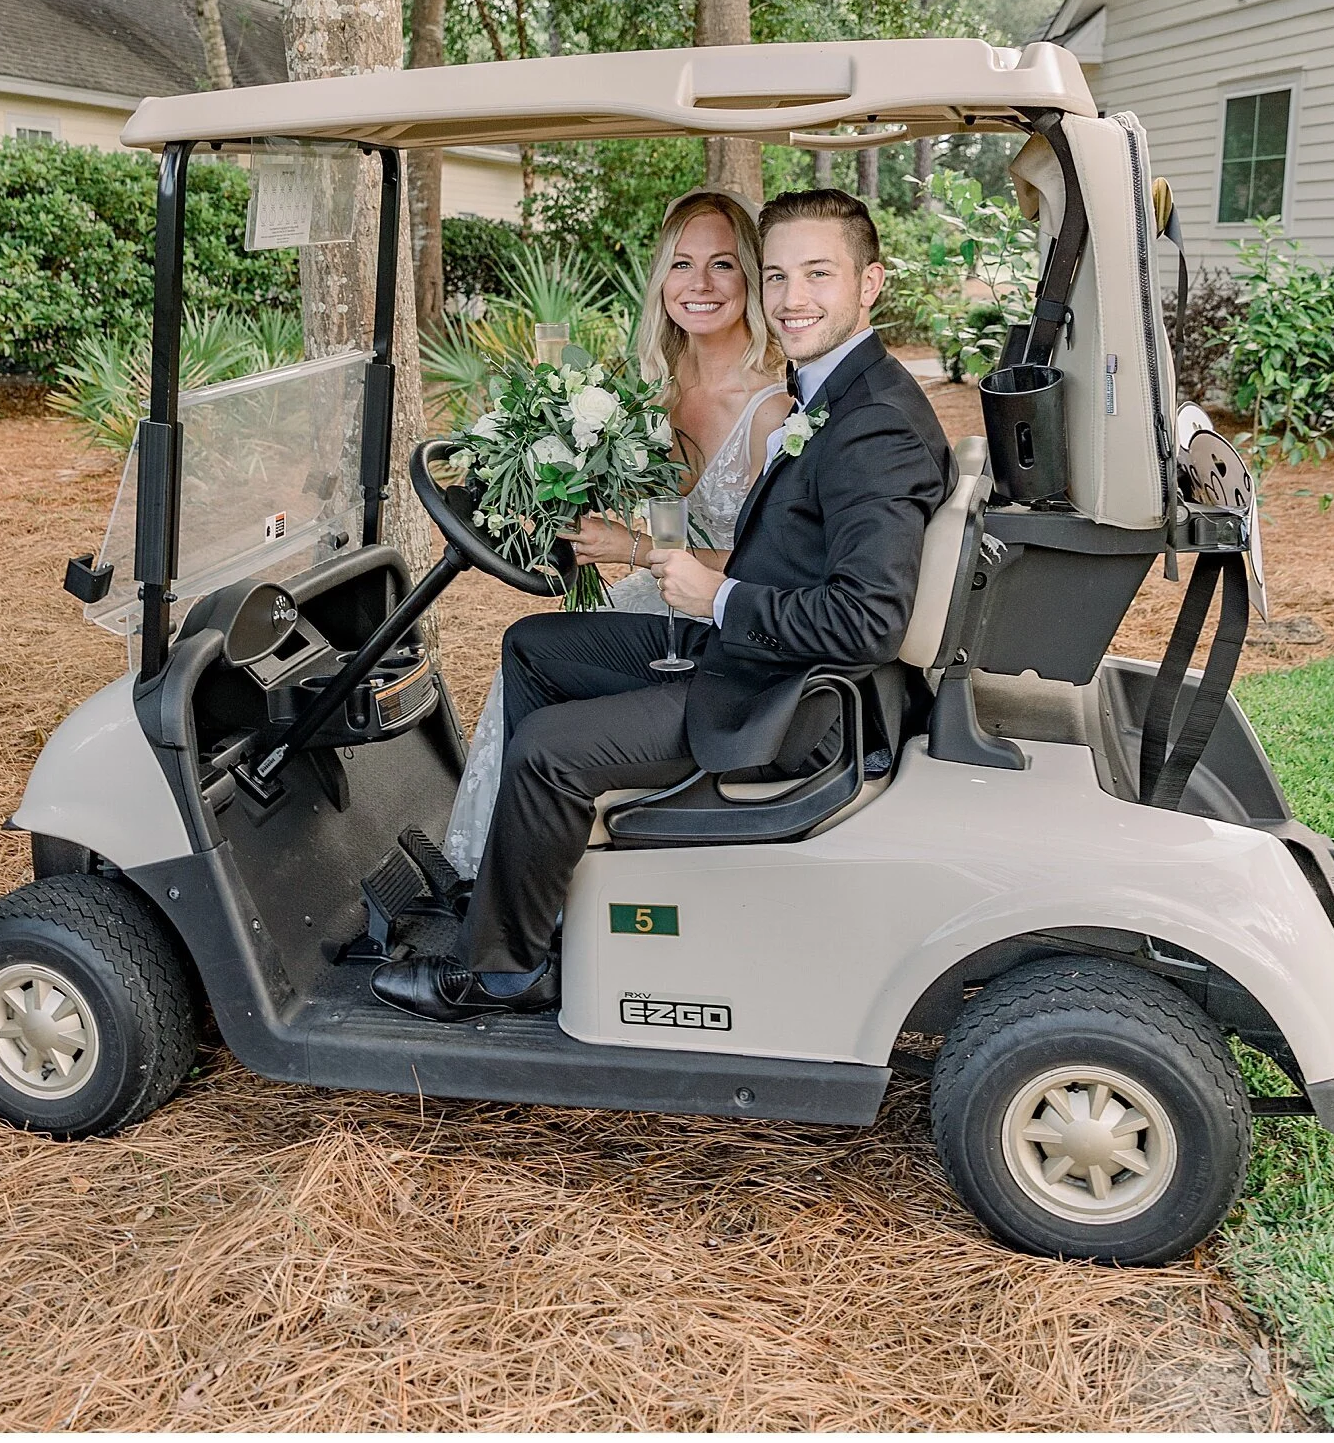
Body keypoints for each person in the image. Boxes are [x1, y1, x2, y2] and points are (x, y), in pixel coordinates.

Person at [376, 187, 956, 1022]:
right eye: (782, 275)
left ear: (870, 284)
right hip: (761, 661)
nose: (793, 299)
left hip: (788, 703)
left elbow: (869, 621)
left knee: (546, 747)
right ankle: (538, 906)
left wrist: (717, 595)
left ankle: (500, 972)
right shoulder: (835, 389)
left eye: (818, 275)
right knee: (537, 646)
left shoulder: (874, 425)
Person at [442, 188, 789, 877]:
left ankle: (512, 881)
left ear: (750, 278)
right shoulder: (655, 387)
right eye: (681, 264)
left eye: (722, 265)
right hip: (657, 600)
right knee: (527, 658)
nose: (698, 284)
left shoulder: (769, 407)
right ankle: (510, 874)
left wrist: (634, 550)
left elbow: (764, 562)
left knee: (531, 667)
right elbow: (620, 500)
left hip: (718, 627)